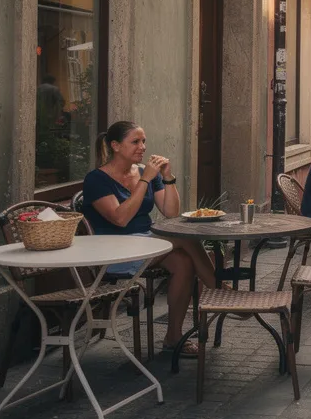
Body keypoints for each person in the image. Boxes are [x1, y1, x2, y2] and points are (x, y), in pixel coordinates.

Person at [82, 121, 218, 354]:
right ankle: (219, 289)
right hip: (113, 251)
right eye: (135, 142)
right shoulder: (96, 180)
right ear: (115, 145)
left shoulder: (146, 172)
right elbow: (120, 218)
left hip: (145, 243)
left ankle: (173, 338)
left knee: (184, 263)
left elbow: (171, 212)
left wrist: (167, 177)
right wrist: (145, 181)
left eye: (143, 141)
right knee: (184, 236)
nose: (142, 147)